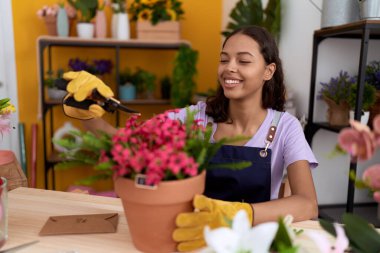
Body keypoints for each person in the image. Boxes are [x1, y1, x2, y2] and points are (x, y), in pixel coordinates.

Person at [62, 25, 318, 252]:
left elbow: (307, 204)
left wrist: (239, 213)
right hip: (192, 239)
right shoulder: (196, 117)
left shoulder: (285, 127)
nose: (230, 68)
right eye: (224, 59)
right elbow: (128, 141)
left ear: (268, 71)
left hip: (250, 244)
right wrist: (87, 116)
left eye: (243, 61)